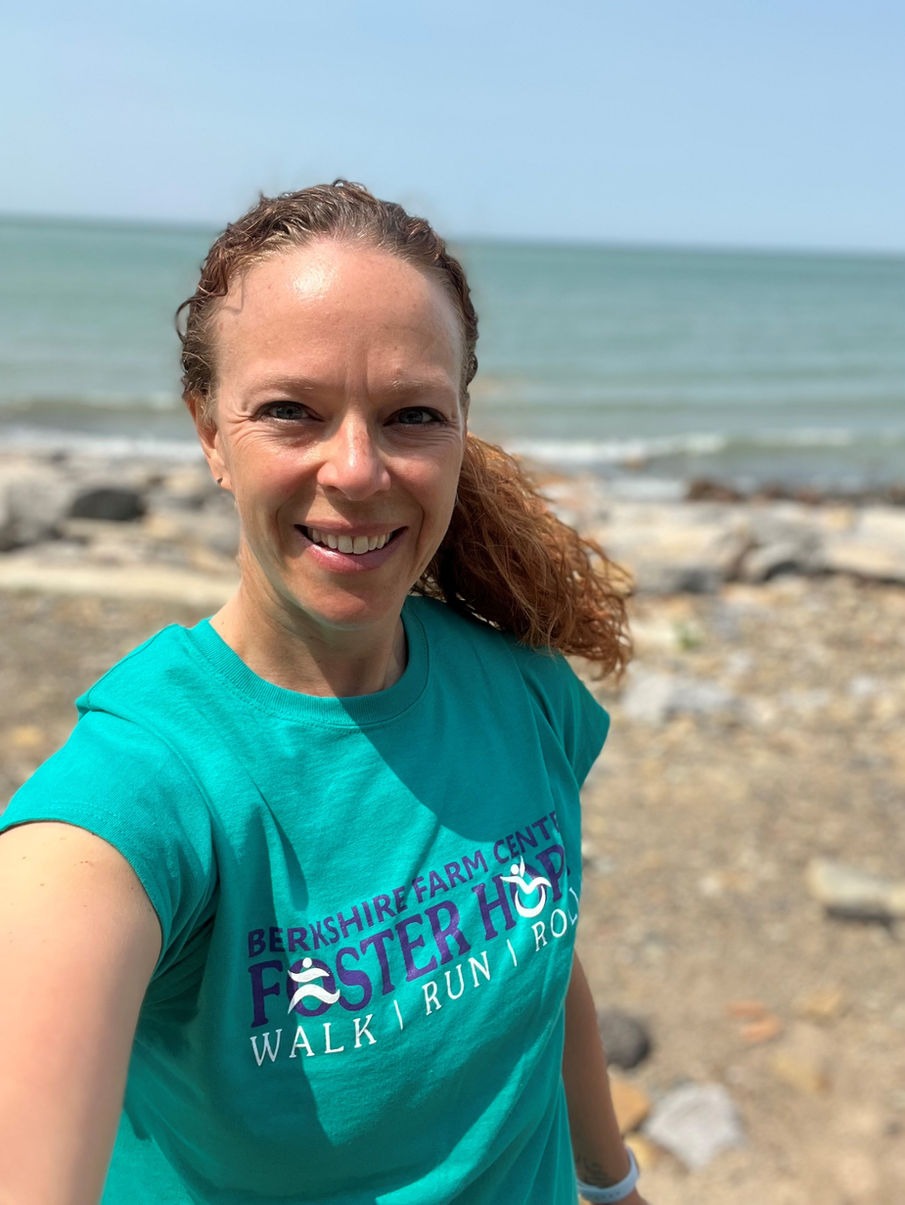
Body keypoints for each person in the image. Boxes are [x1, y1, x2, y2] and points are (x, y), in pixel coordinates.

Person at [0, 181, 646, 1205]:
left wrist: (610, 1184)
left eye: (411, 415)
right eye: (291, 411)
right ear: (210, 431)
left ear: (461, 426)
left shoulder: (521, 688)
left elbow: (538, 949)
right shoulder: (140, 798)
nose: (355, 469)